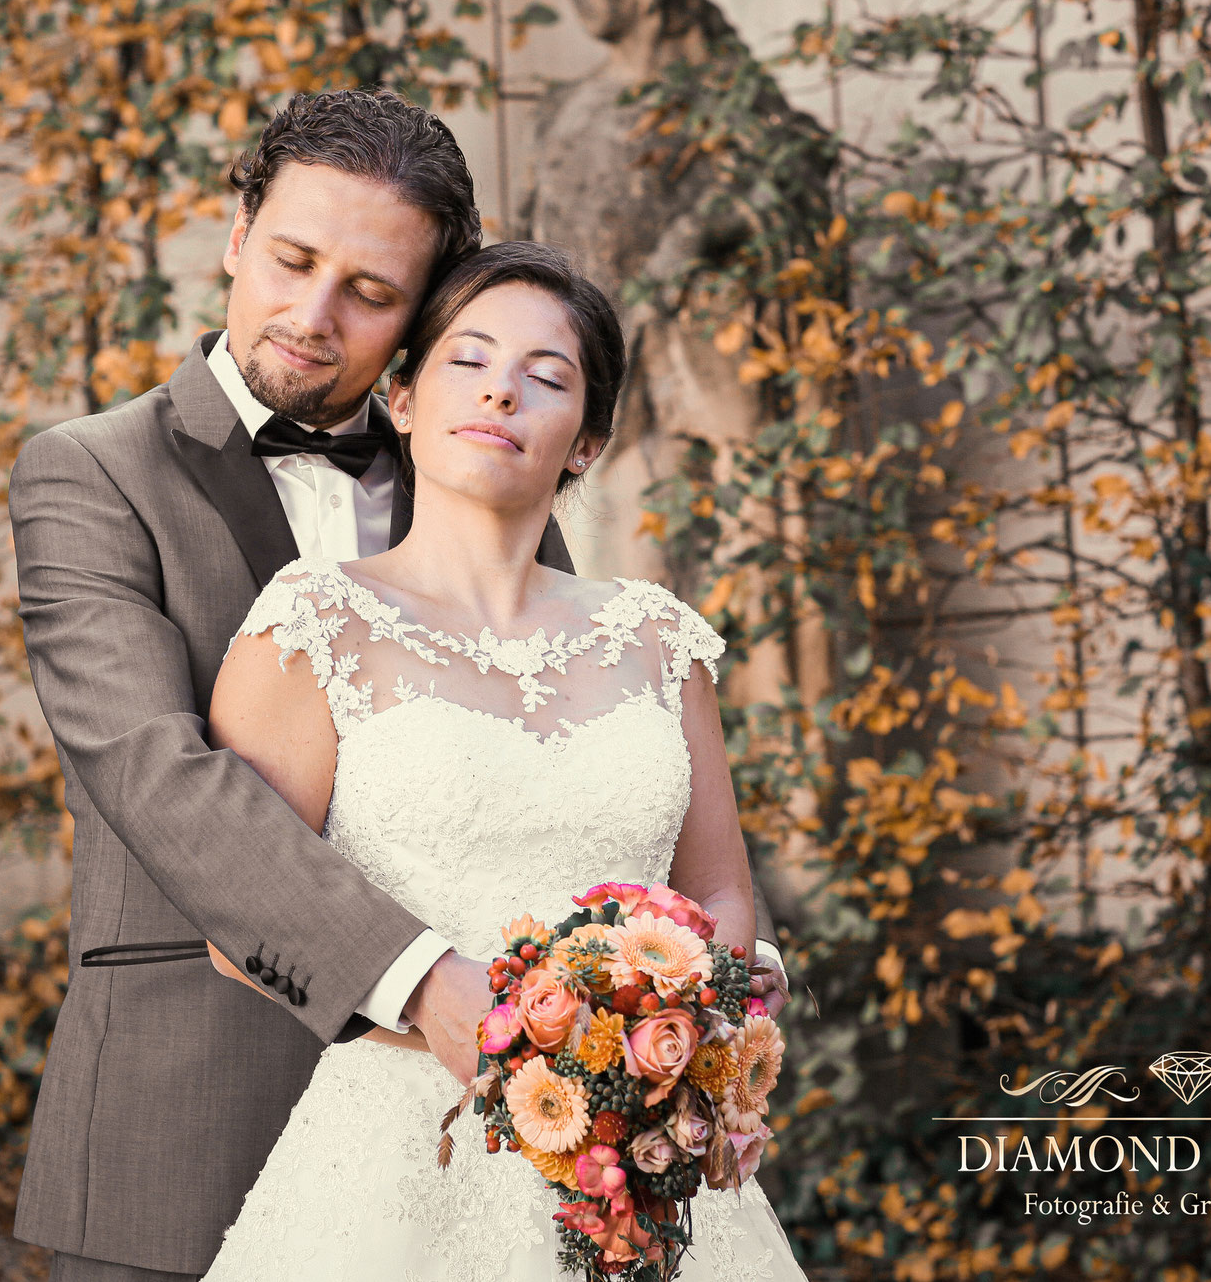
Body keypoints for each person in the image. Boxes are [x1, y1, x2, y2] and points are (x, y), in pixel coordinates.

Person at [9, 88, 783, 1282]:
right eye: (289, 260)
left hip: (533, 1145)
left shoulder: (484, 470)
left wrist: (664, 1029)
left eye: (370, 293)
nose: (312, 315)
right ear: (235, 236)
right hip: (190, 1102)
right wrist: (429, 985)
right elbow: (160, 779)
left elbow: (574, 766)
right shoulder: (93, 474)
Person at [198, 241, 802, 1278]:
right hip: (399, 1153)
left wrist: (679, 1019)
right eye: (467, 361)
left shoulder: (658, 641)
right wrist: (510, 1033)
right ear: (399, 397)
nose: (502, 393)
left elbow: (717, 895)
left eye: (547, 377)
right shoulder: (309, 626)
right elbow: (236, 920)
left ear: (587, 442)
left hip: (635, 1163)